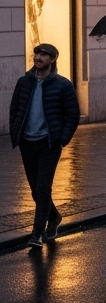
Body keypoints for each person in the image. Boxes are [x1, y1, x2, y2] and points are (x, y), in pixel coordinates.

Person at [9, 44, 80, 248]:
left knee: (42, 188)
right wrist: (17, 133)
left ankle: (37, 233)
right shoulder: (24, 82)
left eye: (43, 55)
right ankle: (55, 216)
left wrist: (61, 138)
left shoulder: (62, 85)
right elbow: (14, 108)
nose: (38, 57)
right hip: (27, 142)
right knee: (35, 190)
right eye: (37, 54)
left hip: (49, 143)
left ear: (52, 59)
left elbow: (73, 114)